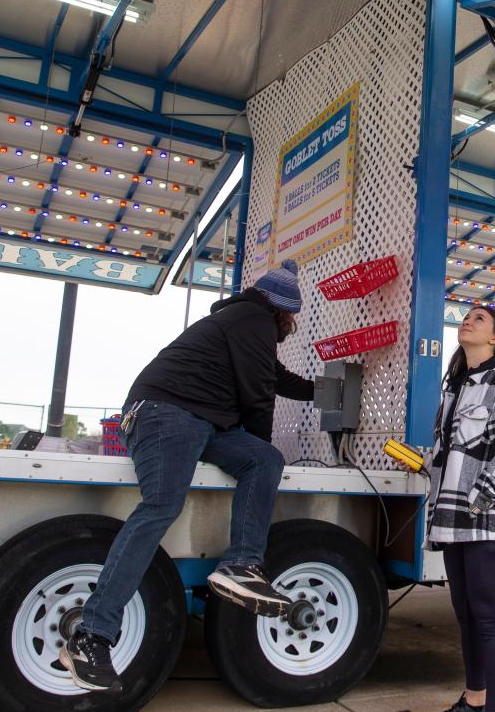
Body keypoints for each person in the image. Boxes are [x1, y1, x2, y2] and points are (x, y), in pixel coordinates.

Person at [60, 259, 314, 693]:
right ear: (282, 310)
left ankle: (240, 565)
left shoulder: (244, 323)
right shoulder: (254, 319)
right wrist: (257, 438)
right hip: (166, 411)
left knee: (264, 460)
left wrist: (324, 390)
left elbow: (273, 377)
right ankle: (91, 634)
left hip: (202, 421)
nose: (290, 323)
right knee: (162, 505)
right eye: (291, 315)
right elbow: (259, 395)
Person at [426, 307, 495, 712]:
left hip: (491, 520)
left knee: (489, 620)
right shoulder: (455, 389)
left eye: (479, 319)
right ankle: (474, 701)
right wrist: (425, 462)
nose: (467, 321)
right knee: (468, 617)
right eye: (466, 317)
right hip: (454, 522)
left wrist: (480, 499)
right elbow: (454, 454)